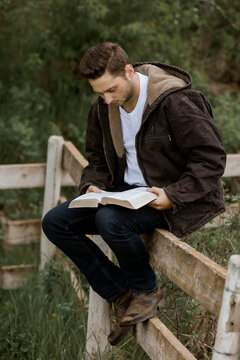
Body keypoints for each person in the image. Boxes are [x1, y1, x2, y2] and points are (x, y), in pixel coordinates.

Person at [42, 42, 226, 346]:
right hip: (123, 192)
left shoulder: (174, 101)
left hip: (168, 195)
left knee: (110, 220)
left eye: (111, 90)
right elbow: (97, 158)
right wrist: (92, 185)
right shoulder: (104, 106)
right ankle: (121, 292)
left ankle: (146, 289)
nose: (107, 99)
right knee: (55, 222)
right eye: (99, 93)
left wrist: (173, 194)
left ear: (129, 71)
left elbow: (211, 158)